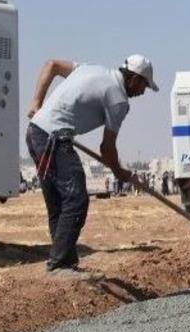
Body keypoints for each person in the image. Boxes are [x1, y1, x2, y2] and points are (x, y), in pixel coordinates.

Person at [25, 54, 159, 279]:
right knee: (76, 198)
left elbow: (51, 65)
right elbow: (107, 147)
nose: (143, 92)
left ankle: (64, 263)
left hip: (35, 132)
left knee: (59, 203)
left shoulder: (91, 68)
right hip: (54, 139)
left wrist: (36, 102)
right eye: (144, 85)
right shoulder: (118, 100)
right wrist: (121, 173)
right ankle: (59, 266)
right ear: (135, 79)